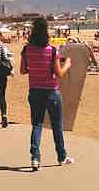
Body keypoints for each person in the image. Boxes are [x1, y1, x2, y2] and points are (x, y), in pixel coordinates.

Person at [20, 16, 74, 171]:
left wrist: (35, 68)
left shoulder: (26, 50)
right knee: (57, 125)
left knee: (37, 125)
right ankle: (61, 156)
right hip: (51, 92)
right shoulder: (52, 51)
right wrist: (68, 65)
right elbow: (59, 74)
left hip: (35, 91)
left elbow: (23, 71)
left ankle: (35, 158)